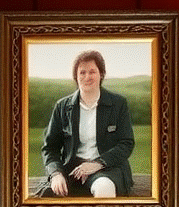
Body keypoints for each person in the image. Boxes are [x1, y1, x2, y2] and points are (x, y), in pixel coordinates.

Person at [40, 49, 134, 198]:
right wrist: (56, 174)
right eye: (82, 72)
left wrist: (98, 163)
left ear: (101, 74)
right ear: (76, 76)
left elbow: (126, 143)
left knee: (104, 189)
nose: (87, 77)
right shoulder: (62, 106)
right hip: (71, 170)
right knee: (47, 197)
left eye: (92, 72)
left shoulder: (118, 104)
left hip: (106, 170)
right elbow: (50, 147)